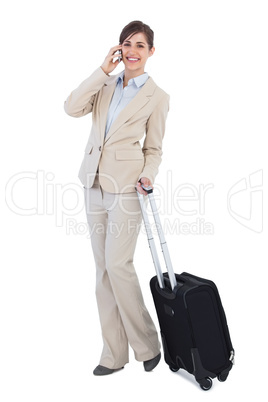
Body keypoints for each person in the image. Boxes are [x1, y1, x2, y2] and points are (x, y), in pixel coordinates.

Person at [64, 20, 170, 376]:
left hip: (127, 187)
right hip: (93, 182)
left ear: (150, 51)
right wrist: (101, 70)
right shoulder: (106, 84)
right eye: (127, 44)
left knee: (118, 265)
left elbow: (154, 148)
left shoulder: (158, 97)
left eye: (140, 45)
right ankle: (113, 354)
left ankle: (148, 345)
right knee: (102, 271)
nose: (133, 51)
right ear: (119, 48)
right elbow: (71, 107)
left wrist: (147, 174)